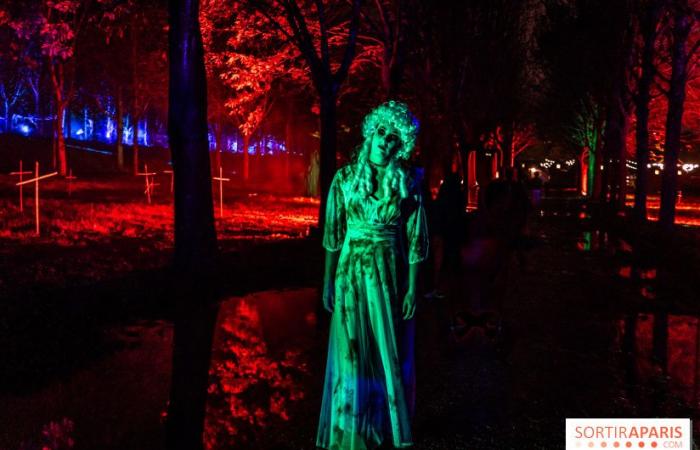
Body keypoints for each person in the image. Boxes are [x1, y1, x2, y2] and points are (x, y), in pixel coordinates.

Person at [316, 101, 429, 450]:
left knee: (387, 351)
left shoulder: (407, 181)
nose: (385, 141)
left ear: (401, 144)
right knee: (352, 353)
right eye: (381, 133)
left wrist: (412, 287)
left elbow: (415, 237)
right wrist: (328, 280)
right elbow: (333, 235)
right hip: (351, 275)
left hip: (389, 275)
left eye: (394, 137)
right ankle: (352, 427)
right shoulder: (345, 178)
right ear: (371, 133)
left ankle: (385, 425)